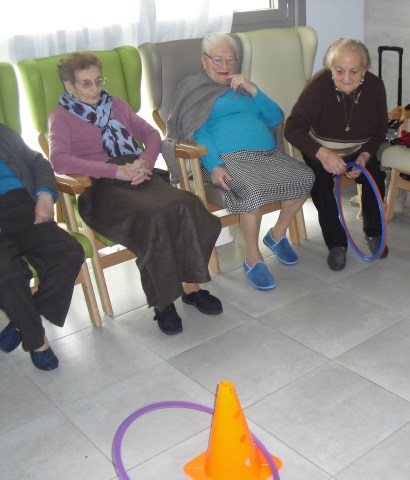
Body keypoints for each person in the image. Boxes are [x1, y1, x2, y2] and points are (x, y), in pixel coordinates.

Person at [48, 52, 223, 335]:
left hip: (139, 174)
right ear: (69, 86)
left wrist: (145, 162)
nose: (94, 89)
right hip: (101, 187)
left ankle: (191, 288)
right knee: (153, 218)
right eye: (85, 84)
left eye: (98, 81)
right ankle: (164, 302)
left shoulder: (115, 104)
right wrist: (115, 171)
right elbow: (59, 160)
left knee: (187, 204)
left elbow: (151, 135)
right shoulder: (61, 117)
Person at [163, 32, 315, 291]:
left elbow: (275, 117)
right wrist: (214, 165)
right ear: (203, 60)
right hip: (225, 160)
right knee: (252, 191)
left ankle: (276, 235)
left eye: (230, 59)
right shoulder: (193, 88)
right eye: (217, 59)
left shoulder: (243, 87)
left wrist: (254, 90)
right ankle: (253, 257)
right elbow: (196, 130)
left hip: (267, 156)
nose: (225, 66)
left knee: (306, 177)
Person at [285, 37, 388, 271]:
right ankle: (336, 244)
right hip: (320, 149)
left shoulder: (375, 87)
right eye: (339, 71)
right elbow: (292, 127)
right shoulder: (319, 86)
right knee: (319, 183)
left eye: (354, 71)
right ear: (331, 68)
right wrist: (323, 154)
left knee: (375, 177)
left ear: (364, 70)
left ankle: (374, 232)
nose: (346, 78)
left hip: (358, 150)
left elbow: (381, 130)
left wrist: (365, 156)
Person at [0, 123, 84, 370]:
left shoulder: (3, 132)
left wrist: (45, 195)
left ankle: (22, 323)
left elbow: (38, 163)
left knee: (69, 253)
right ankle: (37, 342)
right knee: (8, 274)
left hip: (25, 207)